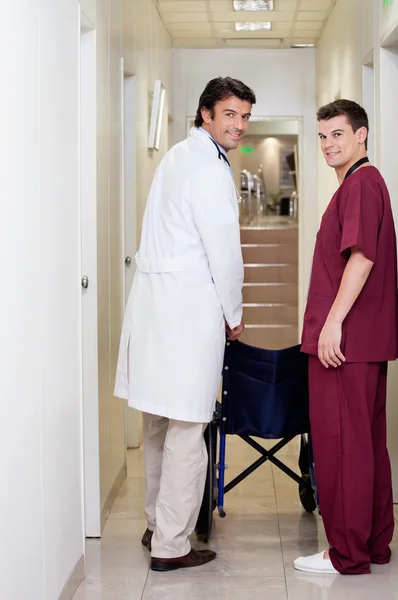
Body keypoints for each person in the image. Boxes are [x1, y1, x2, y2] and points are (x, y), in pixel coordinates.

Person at [114, 77, 256, 572]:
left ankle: (156, 523)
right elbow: (226, 254)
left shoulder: (176, 156)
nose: (238, 125)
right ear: (206, 115)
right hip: (185, 312)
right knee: (188, 428)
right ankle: (171, 546)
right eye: (230, 115)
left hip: (156, 309)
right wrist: (234, 315)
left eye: (245, 116)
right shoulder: (210, 170)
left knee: (157, 422)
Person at [294, 100, 398, 576]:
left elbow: (361, 259)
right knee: (367, 444)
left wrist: (332, 322)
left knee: (342, 447)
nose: (328, 144)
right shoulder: (367, 184)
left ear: (361, 135)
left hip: (343, 345)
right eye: (322, 136)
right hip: (365, 344)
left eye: (337, 134)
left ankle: (347, 554)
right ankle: (375, 544)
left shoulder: (359, 184)